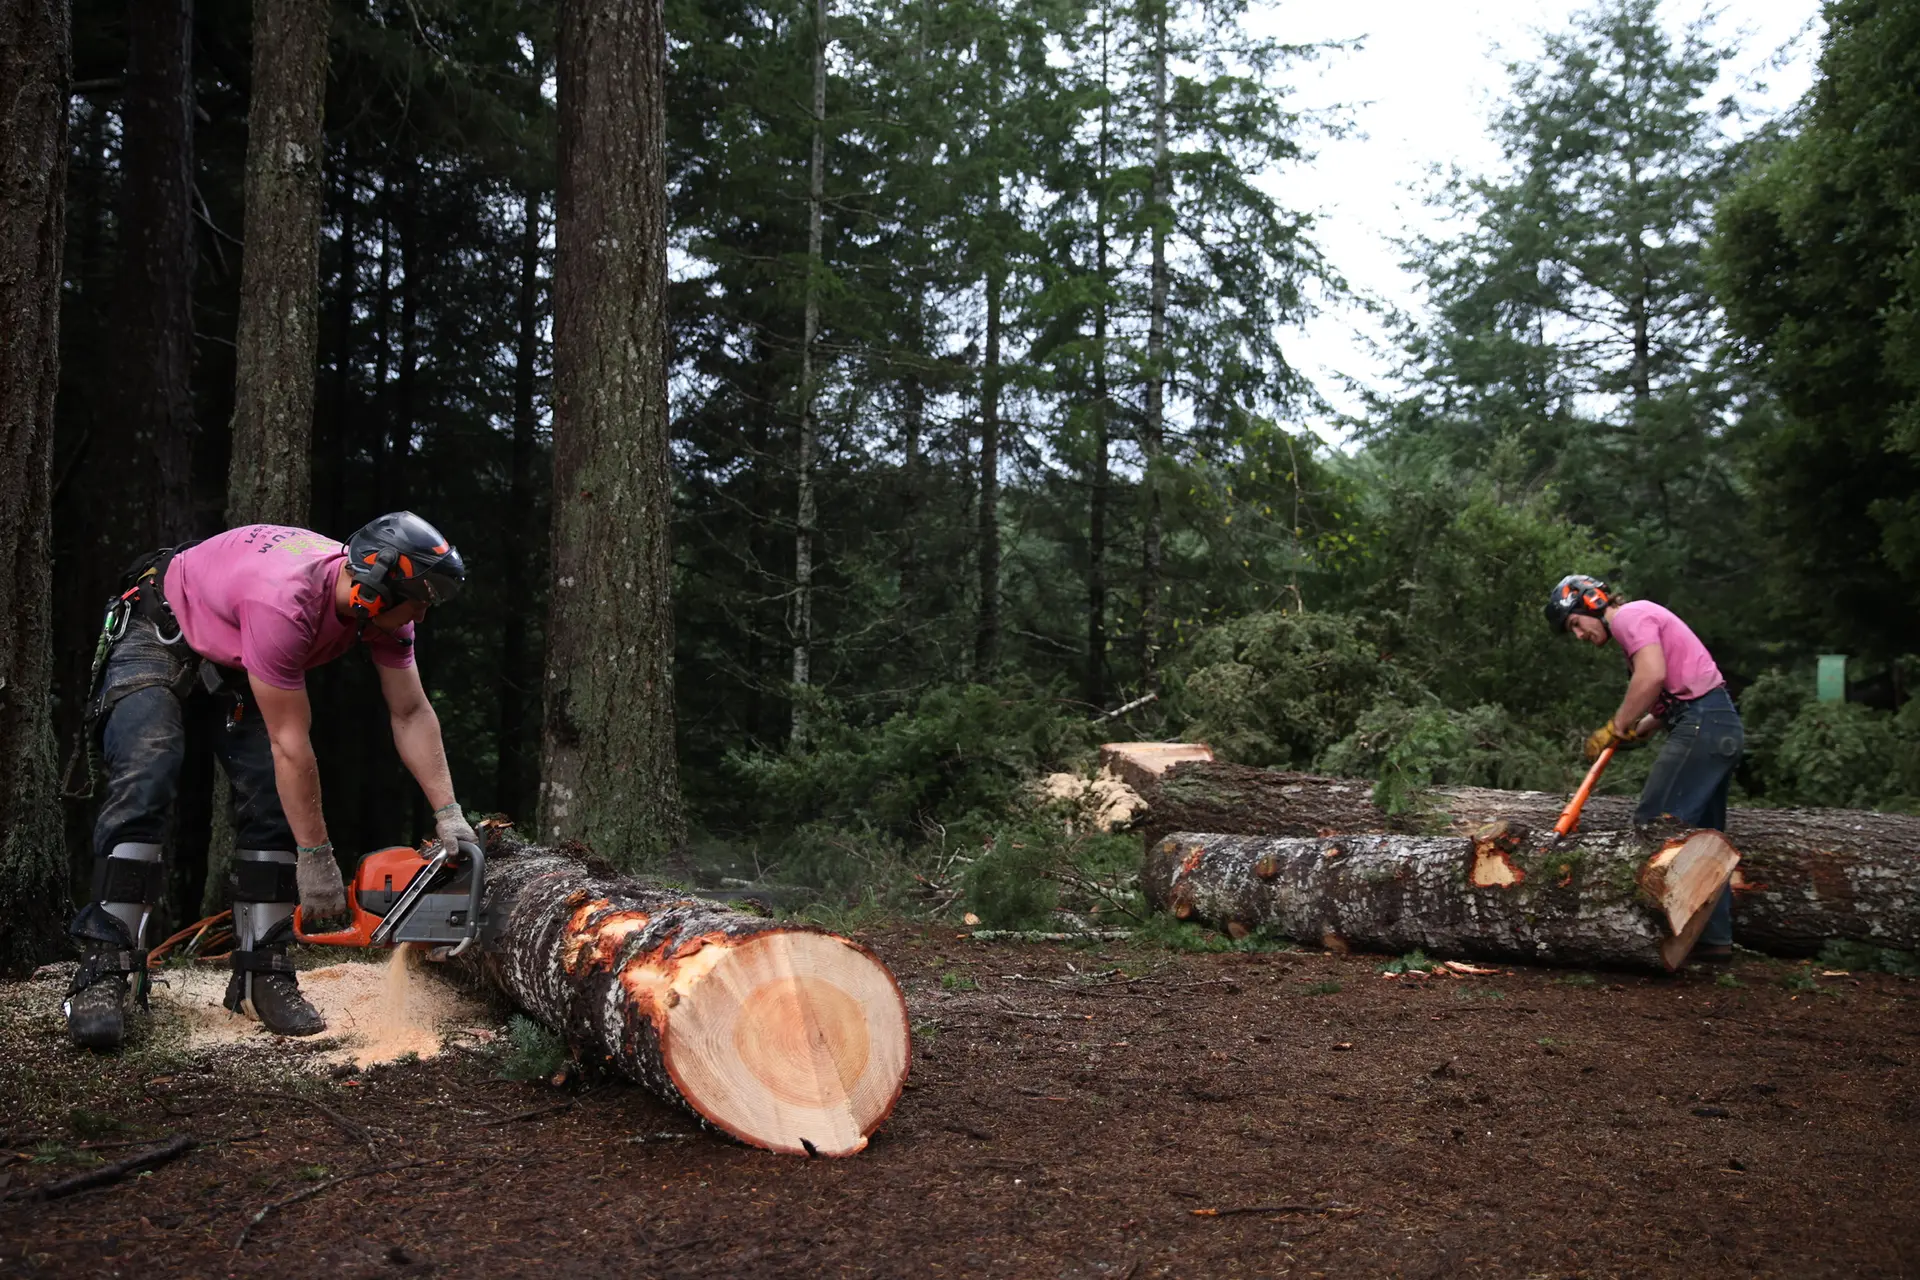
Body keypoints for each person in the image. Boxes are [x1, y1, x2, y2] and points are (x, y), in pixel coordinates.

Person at [64, 513, 478, 1049]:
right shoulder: (284, 601)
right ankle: (104, 967)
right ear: (374, 587)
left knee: (274, 795)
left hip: (237, 648)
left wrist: (449, 813)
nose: (423, 611)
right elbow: (291, 742)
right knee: (150, 769)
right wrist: (317, 855)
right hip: (158, 627)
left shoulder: (387, 614)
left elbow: (411, 713)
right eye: (419, 596)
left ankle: (265, 972)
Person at [1545, 574, 1744, 963]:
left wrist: (1617, 725)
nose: (1580, 636)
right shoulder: (1637, 623)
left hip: (1702, 723)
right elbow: (1664, 697)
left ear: (1592, 603)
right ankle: (1713, 938)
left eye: (1575, 625)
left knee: (1655, 827)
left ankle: (1648, 936)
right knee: (1703, 835)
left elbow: (1650, 677)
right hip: (1719, 724)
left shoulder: (1628, 617)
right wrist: (1635, 730)